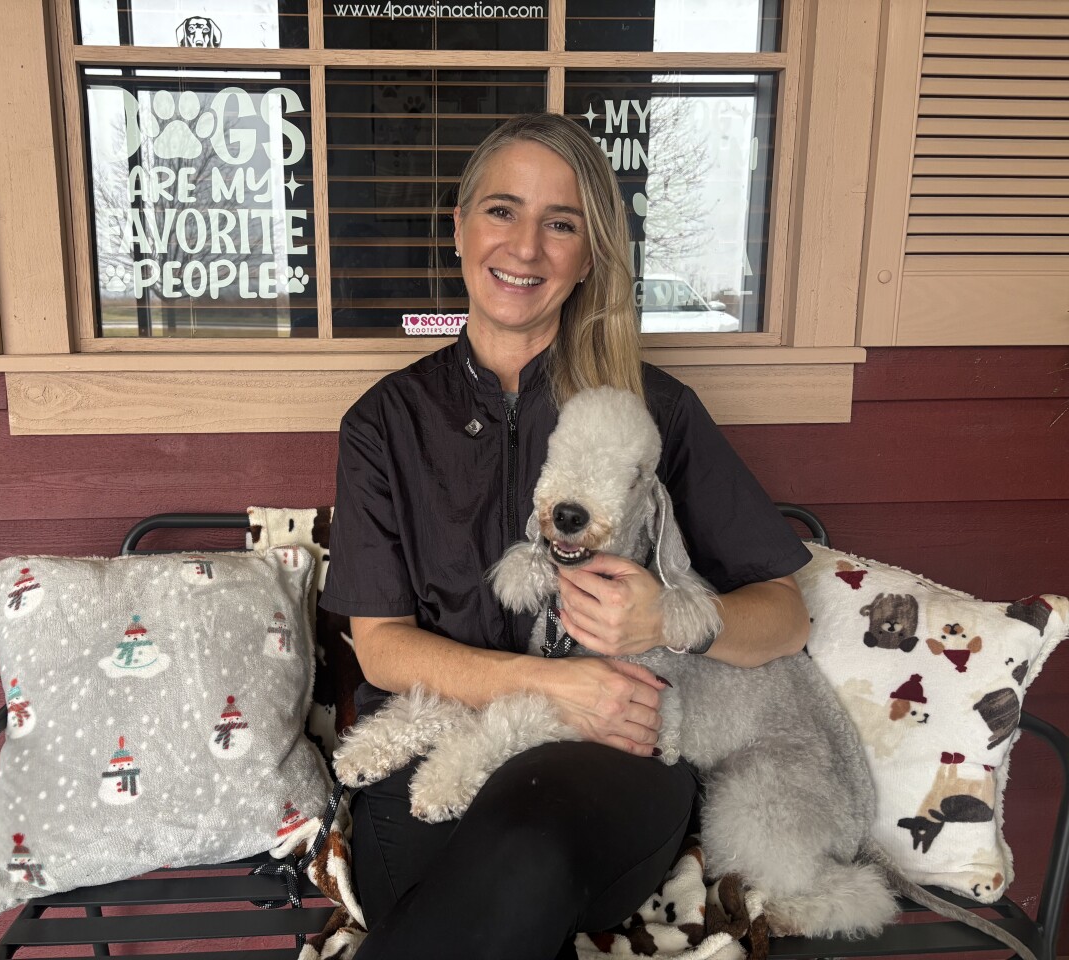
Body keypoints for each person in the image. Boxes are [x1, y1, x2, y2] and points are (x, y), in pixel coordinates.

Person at [319, 113, 813, 960]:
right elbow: (383, 649)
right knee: (473, 892)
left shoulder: (654, 412)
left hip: (612, 763)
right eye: (502, 211)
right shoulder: (385, 424)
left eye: (562, 223)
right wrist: (551, 687)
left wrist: (665, 620)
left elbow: (786, 616)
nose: (526, 248)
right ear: (460, 226)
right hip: (434, 752)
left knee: (523, 853)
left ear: (590, 254)